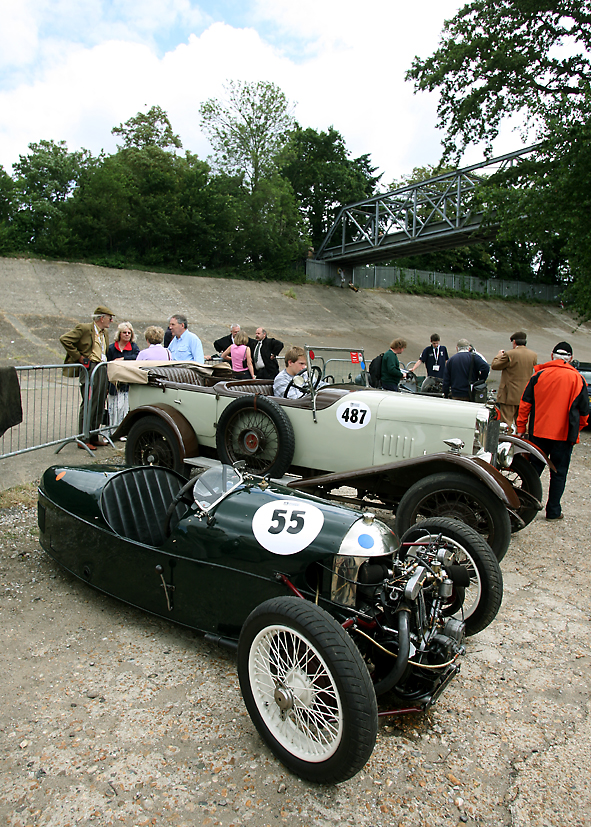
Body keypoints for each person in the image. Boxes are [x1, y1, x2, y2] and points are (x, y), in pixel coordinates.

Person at [516, 341, 589, 521]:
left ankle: (522, 507)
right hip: (564, 435)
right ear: (570, 358)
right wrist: (577, 429)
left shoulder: (539, 375)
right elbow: (585, 412)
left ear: (551, 355)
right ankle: (553, 511)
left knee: (532, 472)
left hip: (539, 433)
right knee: (559, 474)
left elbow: (525, 404)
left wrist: (520, 428)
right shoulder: (578, 379)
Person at [60, 305, 114, 450]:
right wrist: (80, 358)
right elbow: (65, 339)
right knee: (89, 402)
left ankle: (94, 435)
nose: (111, 321)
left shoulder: (104, 333)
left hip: (101, 368)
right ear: (101, 318)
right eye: (110, 318)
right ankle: (83, 437)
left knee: (99, 401)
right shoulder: (84, 328)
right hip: (90, 368)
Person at [490, 331, 537, 426]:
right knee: (522, 423)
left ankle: (507, 440)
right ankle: (523, 440)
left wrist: (498, 356)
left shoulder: (509, 354)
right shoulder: (533, 355)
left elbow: (495, 366)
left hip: (509, 395)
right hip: (525, 394)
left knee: (506, 423)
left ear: (514, 342)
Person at [106, 321, 140, 429]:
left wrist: (123, 359)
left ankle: (122, 430)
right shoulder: (112, 348)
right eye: (124, 332)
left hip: (127, 384)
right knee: (113, 408)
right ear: (119, 334)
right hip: (114, 383)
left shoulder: (134, 347)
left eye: (129, 333)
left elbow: (137, 358)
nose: (126, 335)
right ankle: (111, 430)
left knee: (124, 409)